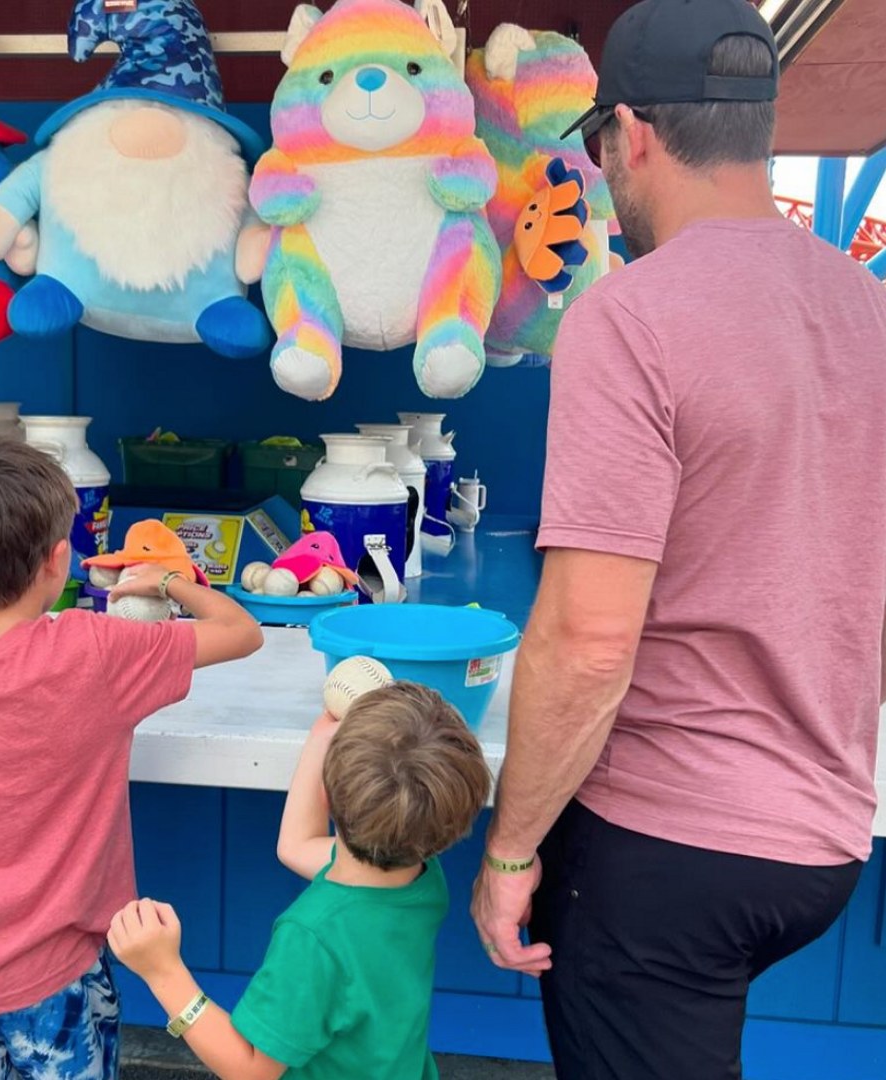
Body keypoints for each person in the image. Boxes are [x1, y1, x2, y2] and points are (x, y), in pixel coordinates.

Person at [470, 0, 886, 1078]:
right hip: (824, 836)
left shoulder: (633, 314)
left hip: (666, 848)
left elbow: (590, 639)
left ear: (631, 135)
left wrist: (510, 851)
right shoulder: (868, 312)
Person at [0, 438, 262, 1080]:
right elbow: (241, 631)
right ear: (59, 560)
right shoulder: (95, 652)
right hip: (53, 974)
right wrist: (167, 579)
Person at [109, 682, 491, 1080]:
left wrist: (163, 972)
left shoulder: (315, 936)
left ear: (326, 791)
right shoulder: (422, 877)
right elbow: (297, 845)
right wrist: (320, 739)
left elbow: (250, 1069)